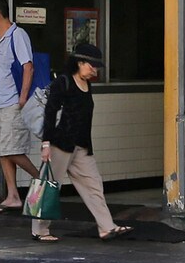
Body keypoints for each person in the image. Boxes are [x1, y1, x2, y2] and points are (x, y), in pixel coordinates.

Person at [33, 41, 130, 242]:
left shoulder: (88, 84)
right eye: (91, 65)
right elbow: (50, 113)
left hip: (82, 146)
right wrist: (46, 144)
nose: (94, 70)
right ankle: (40, 230)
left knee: (94, 185)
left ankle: (106, 227)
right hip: (60, 144)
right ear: (79, 62)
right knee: (50, 186)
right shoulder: (63, 82)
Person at [0, 0, 40, 210]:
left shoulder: (17, 35)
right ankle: (13, 195)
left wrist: (22, 99)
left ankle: (44, 180)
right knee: (1, 150)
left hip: (13, 104)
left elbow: (28, 66)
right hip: (0, 104)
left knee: (12, 150)